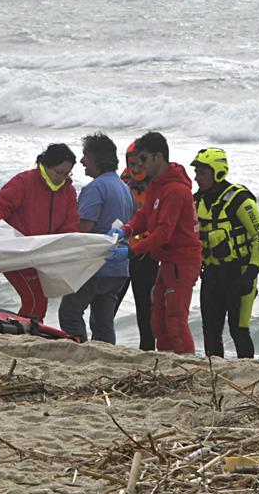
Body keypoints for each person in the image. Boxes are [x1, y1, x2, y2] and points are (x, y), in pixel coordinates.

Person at [106, 132, 201, 354]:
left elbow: (163, 232)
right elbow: (145, 215)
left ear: (158, 157)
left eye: (144, 160)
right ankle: (168, 360)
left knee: (175, 320)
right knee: (157, 319)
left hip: (182, 261)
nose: (140, 167)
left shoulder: (175, 190)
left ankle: (186, 363)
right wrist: (126, 229)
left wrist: (130, 251)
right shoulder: (157, 185)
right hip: (166, 260)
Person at [0, 143, 80, 321]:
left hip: (42, 255)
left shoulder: (68, 191)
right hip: (15, 252)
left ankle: (25, 329)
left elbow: (70, 225)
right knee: (35, 299)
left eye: (67, 173)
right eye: (59, 172)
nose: (62, 178)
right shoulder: (25, 181)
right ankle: (27, 334)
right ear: (46, 165)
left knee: (38, 300)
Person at [191, 147, 259, 359]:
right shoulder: (197, 201)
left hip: (240, 274)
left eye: (202, 173)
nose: (197, 178)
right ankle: (215, 375)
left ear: (218, 172)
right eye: (196, 172)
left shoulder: (239, 199)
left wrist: (251, 273)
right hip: (213, 274)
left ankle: (248, 374)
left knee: (239, 330)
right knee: (211, 332)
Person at [58, 133, 134, 344]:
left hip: (96, 267)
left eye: (85, 156)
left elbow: (85, 229)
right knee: (103, 321)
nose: (82, 161)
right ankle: (105, 355)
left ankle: (79, 349)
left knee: (70, 312)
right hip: (119, 268)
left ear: (96, 158)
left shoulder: (95, 188)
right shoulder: (124, 188)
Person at [114, 139, 160, 350]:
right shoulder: (121, 182)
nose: (136, 168)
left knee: (147, 310)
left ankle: (148, 352)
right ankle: (101, 346)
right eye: (132, 163)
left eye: (141, 163)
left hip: (147, 255)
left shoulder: (161, 185)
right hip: (122, 252)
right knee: (108, 306)